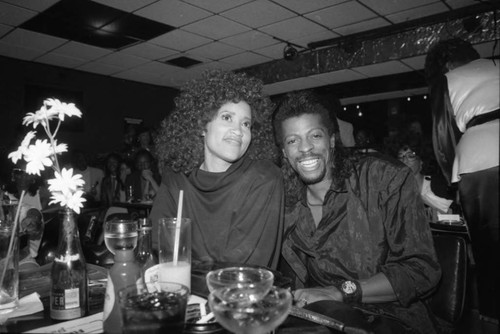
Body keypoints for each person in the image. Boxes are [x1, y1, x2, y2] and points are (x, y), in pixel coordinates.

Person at [273, 91, 441, 333]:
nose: (305, 148)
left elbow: (422, 270)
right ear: (285, 154)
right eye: (293, 141)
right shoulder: (286, 203)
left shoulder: (382, 179)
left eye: (315, 136)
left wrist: (340, 292)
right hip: (318, 319)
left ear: (331, 140)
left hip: (391, 318)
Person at [149, 69, 283, 269]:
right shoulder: (176, 179)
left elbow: (243, 266)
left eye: (246, 123)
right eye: (227, 118)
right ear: (202, 126)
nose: (238, 131)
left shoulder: (264, 179)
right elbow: (159, 246)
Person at [425, 38, 499, 324]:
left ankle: (492, 319)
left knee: (490, 250)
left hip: (480, 160)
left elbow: (443, 139)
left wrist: (447, 185)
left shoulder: (446, 80)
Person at [397, 144, 458, 222]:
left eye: (410, 156)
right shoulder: (396, 189)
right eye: (400, 157)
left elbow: (456, 213)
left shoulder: (438, 183)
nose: (404, 161)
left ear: (421, 162)